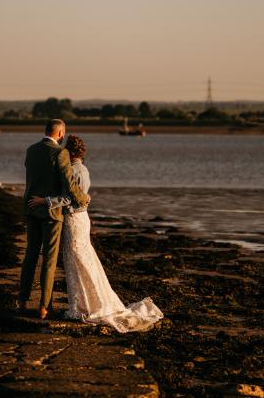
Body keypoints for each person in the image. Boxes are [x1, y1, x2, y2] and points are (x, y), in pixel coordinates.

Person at [29, 134, 163, 333]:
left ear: (70, 152)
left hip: (74, 220)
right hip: (81, 219)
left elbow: (68, 200)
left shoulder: (73, 170)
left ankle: (87, 305)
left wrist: (44, 201)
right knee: (81, 260)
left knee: (78, 261)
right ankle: (85, 303)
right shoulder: (84, 169)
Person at [19, 119, 90, 319]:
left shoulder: (31, 150)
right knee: (49, 260)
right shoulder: (61, 153)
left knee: (30, 256)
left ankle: (22, 301)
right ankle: (44, 307)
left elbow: (34, 177)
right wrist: (84, 198)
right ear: (60, 133)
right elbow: (69, 184)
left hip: (31, 208)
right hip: (51, 214)